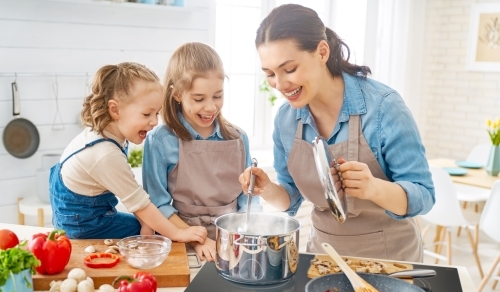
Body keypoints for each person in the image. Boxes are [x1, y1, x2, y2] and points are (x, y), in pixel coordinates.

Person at [239, 4, 435, 262]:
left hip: (390, 260)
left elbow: (424, 196)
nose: (280, 84)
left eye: (289, 69)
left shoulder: (383, 107)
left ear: (321, 52)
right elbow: (291, 197)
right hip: (323, 257)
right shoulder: (286, 120)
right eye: (270, 74)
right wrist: (267, 189)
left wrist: (373, 188)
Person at [49, 62, 207, 245]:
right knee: (160, 234)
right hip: (85, 226)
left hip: (82, 217)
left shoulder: (105, 134)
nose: (155, 121)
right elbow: (140, 204)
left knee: (151, 226)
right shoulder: (104, 154)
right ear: (115, 110)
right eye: (147, 114)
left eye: (157, 113)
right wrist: (178, 233)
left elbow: (131, 194)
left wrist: (145, 223)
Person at [142, 42, 261, 262]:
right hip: (180, 239)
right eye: (199, 99)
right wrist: (195, 239)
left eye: (218, 96)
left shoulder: (238, 138)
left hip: (235, 239)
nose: (210, 107)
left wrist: (247, 231)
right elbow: (157, 204)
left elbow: (249, 199)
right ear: (177, 94)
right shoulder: (160, 141)